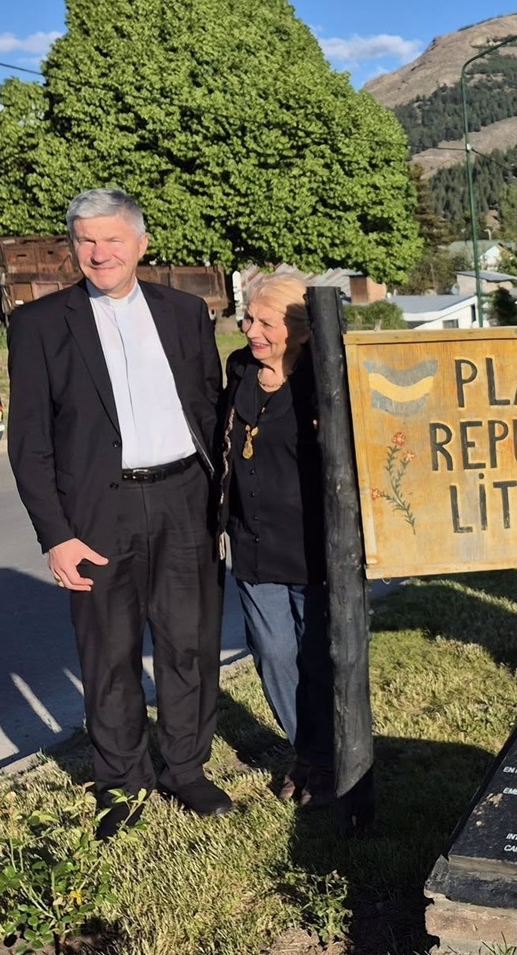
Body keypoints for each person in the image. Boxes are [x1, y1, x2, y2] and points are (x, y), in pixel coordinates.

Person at [7, 188, 231, 838]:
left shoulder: (187, 313)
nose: (99, 252)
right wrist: (56, 534)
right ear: (73, 245)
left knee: (189, 644)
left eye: (111, 239)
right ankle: (121, 783)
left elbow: (210, 409)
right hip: (97, 513)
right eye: (85, 240)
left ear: (141, 243)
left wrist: (219, 506)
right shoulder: (42, 324)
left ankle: (185, 767)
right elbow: (30, 444)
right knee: (108, 652)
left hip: (183, 497)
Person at [218, 273, 335, 805]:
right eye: (248, 318)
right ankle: (308, 751)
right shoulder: (239, 368)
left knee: (318, 658)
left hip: (313, 547)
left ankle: (327, 757)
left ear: (301, 329)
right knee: (272, 653)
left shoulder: (322, 378)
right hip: (253, 541)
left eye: (266, 322)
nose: (251, 330)